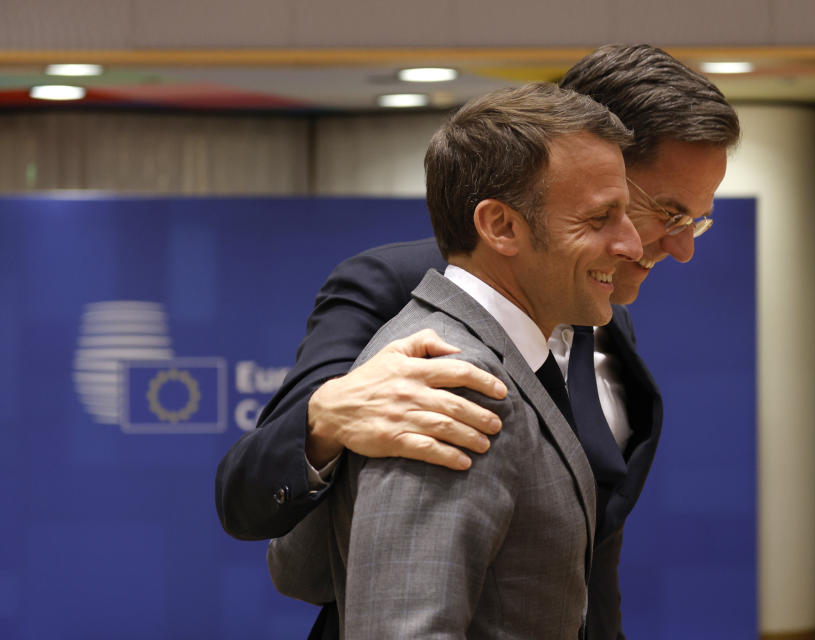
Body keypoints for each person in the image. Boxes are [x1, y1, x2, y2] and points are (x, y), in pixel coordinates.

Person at [216, 44, 740, 638]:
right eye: (662, 212)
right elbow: (260, 509)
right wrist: (322, 419)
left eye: (695, 220)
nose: (679, 246)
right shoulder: (412, 308)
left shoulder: (604, 312)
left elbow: (583, 559)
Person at [303, 82, 641, 636]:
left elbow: (298, 565)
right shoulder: (455, 380)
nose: (630, 245)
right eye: (600, 218)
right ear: (501, 226)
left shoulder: (467, 356)